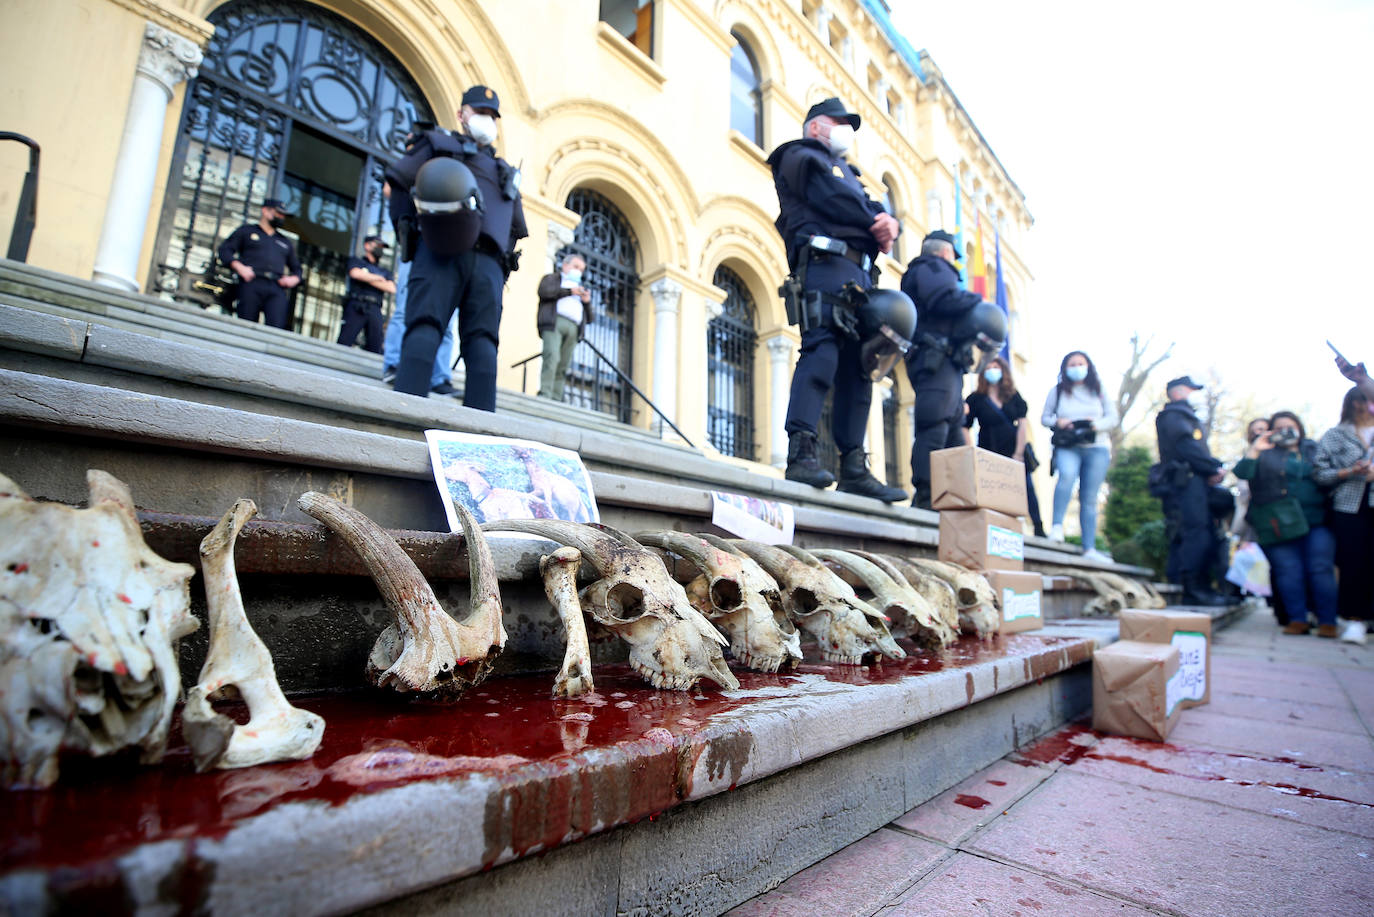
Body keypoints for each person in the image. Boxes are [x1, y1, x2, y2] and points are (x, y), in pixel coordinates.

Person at [766, 97, 905, 502]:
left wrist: (887, 221)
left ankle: (854, 466)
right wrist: (874, 223)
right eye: (838, 122)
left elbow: (867, 205)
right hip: (823, 266)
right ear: (815, 127)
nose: (846, 130)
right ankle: (802, 452)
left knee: (860, 370)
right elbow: (834, 200)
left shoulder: (851, 173)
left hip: (859, 276)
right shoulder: (799, 155)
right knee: (822, 353)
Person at [387, 85, 527, 408]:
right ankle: (403, 422)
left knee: (483, 346)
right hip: (440, 248)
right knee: (424, 328)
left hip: (489, 264)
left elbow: (516, 227)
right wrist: (410, 233)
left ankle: (479, 435)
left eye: (492, 116)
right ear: (461, 115)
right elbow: (399, 183)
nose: (486, 120)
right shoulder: (438, 144)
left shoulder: (504, 171)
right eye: (480, 112)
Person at [902, 229, 986, 509]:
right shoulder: (933, 267)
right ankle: (927, 496)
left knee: (949, 429)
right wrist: (977, 300)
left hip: (943, 362)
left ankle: (944, 497)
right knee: (935, 425)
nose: (956, 264)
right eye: (954, 257)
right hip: (936, 358)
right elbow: (943, 300)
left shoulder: (927, 269)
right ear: (944, 252)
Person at [1235, 411, 1339, 636]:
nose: (1285, 431)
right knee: (1288, 571)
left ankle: (1328, 621)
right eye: (1279, 427)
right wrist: (1256, 448)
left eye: (1289, 426)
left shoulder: (1314, 449)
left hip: (1317, 519)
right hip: (1278, 523)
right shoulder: (1264, 453)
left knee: (1320, 568)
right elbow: (1242, 473)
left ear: (1299, 428)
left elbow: (1331, 475)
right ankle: (1297, 619)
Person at [1154, 375, 1227, 605]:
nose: (1192, 395)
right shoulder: (1176, 416)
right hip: (1186, 481)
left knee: (1191, 533)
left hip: (1192, 481)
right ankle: (1193, 589)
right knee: (1196, 533)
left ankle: (1197, 587)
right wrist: (1211, 467)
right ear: (1177, 392)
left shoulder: (1182, 416)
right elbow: (1186, 446)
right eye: (1189, 390)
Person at [1041, 351, 1118, 562]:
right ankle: (1056, 527)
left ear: (1088, 366)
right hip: (1069, 445)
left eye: (1080, 363)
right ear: (1065, 368)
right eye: (1072, 364)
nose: (1076, 367)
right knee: (1066, 476)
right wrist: (1060, 422)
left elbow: (1113, 417)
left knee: (1089, 497)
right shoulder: (1057, 392)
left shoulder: (1099, 390)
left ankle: (1089, 548)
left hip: (1097, 447)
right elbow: (1045, 418)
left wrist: (1094, 425)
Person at [1313, 387, 1374, 644]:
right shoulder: (1335, 435)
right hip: (1349, 507)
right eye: (1361, 400)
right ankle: (1354, 620)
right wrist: (1349, 472)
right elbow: (1319, 473)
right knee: (1353, 564)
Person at [962, 355, 1045, 536]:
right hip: (989, 450)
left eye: (996, 367)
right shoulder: (976, 399)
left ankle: (1038, 525)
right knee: (993, 490)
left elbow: (1023, 424)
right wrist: (972, 452)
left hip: (1013, 449)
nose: (992, 371)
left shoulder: (1012, 396)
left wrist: (1018, 452)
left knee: (1026, 488)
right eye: (989, 367)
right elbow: (964, 426)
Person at [217, 197, 301, 329]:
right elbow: (225, 250)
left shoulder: (285, 242)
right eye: (278, 213)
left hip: (276, 286)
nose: (281, 217)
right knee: (246, 324)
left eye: (283, 215)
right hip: (252, 282)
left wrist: (294, 279)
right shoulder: (247, 231)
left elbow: (297, 268)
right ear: (266, 211)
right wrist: (238, 266)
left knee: (276, 326)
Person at [536, 253, 593, 401]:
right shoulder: (554, 279)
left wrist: (586, 302)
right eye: (576, 266)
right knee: (552, 357)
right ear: (565, 265)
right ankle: (545, 394)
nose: (578, 271)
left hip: (574, 328)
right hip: (555, 322)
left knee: (563, 364)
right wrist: (569, 292)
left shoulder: (580, 288)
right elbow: (545, 292)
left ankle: (555, 397)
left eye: (581, 269)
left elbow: (590, 318)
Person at [336, 235, 395, 354]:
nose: (380, 249)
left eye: (382, 247)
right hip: (356, 305)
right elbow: (355, 273)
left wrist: (366, 277)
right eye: (377, 245)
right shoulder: (356, 261)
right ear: (367, 245)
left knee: (376, 346)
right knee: (344, 342)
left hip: (375, 308)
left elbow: (391, 287)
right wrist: (378, 278)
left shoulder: (385, 271)